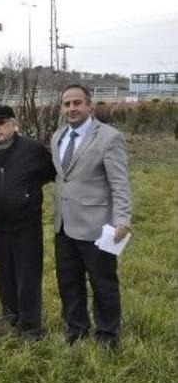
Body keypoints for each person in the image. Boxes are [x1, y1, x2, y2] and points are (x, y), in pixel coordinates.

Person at [51, 84, 131, 348]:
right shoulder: (58, 137)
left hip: (97, 227)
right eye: (67, 104)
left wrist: (122, 220)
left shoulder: (109, 137)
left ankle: (107, 334)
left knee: (103, 284)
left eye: (77, 103)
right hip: (63, 226)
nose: (71, 108)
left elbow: (120, 183)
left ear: (90, 106)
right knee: (68, 282)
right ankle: (76, 329)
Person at [0, 105, 55, 339]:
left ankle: (31, 326)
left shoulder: (33, 149)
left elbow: (50, 174)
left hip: (26, 224)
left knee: (28, 274)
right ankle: (10, 315)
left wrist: (26, 194)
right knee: (4, 271)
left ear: (14, 124)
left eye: (1, 123)